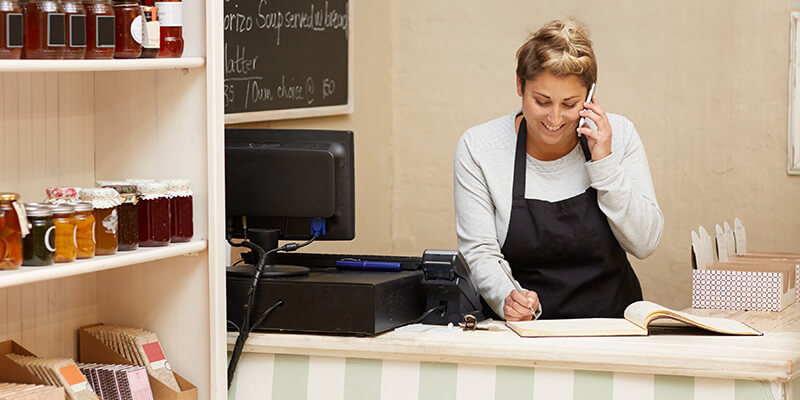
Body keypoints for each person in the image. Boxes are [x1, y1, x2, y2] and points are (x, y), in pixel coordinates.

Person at [454, 19, 663, 321]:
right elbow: (480, 252)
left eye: (569, 104)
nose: (554, 118)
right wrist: (507, 298)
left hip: (614, 329)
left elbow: (645, 242)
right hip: (524, 333)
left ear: (591, 96)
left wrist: (603, 161)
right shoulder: (479, 147)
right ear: (519, 85)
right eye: (541, 101)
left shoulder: (620, 133)